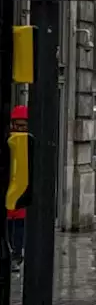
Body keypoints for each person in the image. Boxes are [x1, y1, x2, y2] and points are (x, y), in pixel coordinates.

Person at [7, 106, 28, 273]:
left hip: (20, 193)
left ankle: (16, 255)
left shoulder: (29, 143)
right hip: (9, 192)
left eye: (24, 125)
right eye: (17, 125)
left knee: (19, 229)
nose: (20, 129)